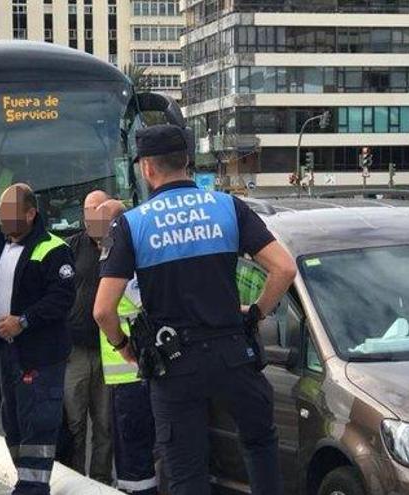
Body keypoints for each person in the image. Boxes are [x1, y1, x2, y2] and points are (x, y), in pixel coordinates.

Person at [94, 125, 297, 495]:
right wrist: (256, 314)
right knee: (259, 446)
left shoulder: (133, 223)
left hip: (174, 365)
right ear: (187, 161)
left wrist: (125, 347)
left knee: (186, 473)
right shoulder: (228, 207)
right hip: (234, 354)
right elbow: (284, 268)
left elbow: (103, 310)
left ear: (147, 169)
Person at [0, 183, 77, 495]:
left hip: (40, 353)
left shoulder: (53, 249)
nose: (1, 218)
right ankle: (26, 481)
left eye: (8, 212)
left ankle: (33, 488)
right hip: (6, 352)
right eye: (0, 212)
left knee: (39, 423)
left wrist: (22, 321)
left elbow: (61, 299)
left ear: (31, 213)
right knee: (13, 422)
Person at [95, 199, 157, 495]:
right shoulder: (136, 251)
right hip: (131, 374)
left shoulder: (122, 260)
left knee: (134, 454)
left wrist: (122, 345)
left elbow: (104, 312)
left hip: (133, 372)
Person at [62, 190, 113, 483]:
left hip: (110, 349)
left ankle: (102, 482)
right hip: (76, 351)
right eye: (87, 210)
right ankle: (76, 481)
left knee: (105, 424)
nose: (91, 215)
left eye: (98, 209)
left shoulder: (119, 247)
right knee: (75, 422)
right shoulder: (72, 247)